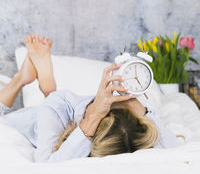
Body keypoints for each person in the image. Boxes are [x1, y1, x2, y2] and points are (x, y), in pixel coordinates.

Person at [0, 35, 179, 163]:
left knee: (52, 105)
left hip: (56, 116)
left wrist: (132, 102)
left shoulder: (122, 140)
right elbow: (46, 168)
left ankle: (44, 87)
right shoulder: (60, 105)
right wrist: (137, 107)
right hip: (33, 118)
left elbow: (175, 152)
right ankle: (22, 81)